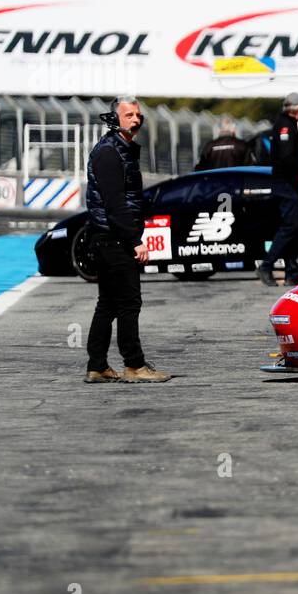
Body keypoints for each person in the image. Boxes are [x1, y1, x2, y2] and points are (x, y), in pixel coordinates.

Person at [83, 99, 170, 383]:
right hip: (113, 239)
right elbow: (115, 203)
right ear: (113, 119)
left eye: (138, 115)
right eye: (128, 115)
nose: (136, 119)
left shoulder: (122, 150)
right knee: (129, 303)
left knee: (107, 304)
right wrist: (134, 240)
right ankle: (134, 365)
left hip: (110, 237)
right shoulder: (109, 153)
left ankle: (97, 366)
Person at [259, 92, 298, 287]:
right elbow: (286, 159)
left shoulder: (290, 125)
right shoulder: (285, 127)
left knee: (294, 227)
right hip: (286, 185)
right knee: (289, 227)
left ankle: (291, 270)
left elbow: (292, 156)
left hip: (290, 185)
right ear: (294, 109)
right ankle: (266, 266)